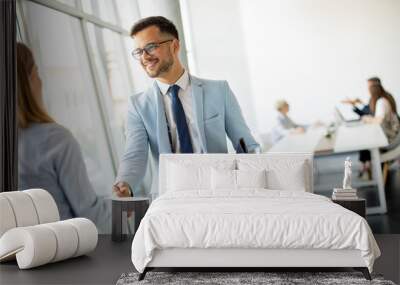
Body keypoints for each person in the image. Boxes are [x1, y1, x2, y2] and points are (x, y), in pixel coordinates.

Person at [113, 16, 259, 198]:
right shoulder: (138, 106)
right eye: (139, 51)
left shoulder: (219, 91)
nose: (144, 57)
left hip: (221, 193)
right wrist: (124, 183)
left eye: (150, 47)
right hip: (170, 199)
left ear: (174, 46)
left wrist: (254, 181)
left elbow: (245, 143)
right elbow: (135, 154)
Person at [17, 42, 111, 232]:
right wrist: (127, 208)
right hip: (61, 250)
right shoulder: (55, 139)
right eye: (36, 71)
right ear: (28, 82)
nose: (41, 81)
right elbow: (91, 215)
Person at [343, 77, 400, 179]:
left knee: (364, 140)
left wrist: (366, 118)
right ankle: (367, 168)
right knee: (364, 138)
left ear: (373, 88)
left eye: (369, 87)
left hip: (389, 139)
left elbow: (378, 119)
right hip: (391, 134)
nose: (368, 89)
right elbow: (373, 114)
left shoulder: (381, 101)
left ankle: (366, 169)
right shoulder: (384, 98)